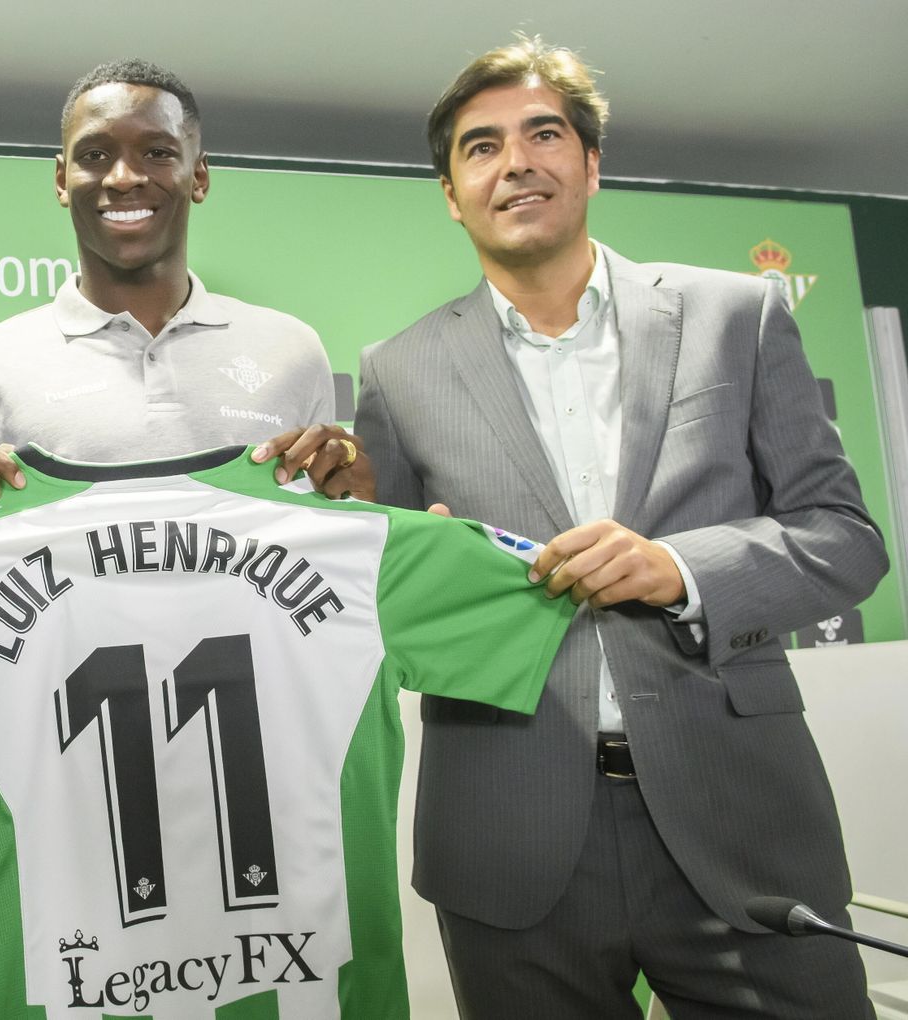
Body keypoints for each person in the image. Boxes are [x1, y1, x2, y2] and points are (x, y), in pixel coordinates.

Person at [353, 35, 887, 1018]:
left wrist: (677, 569)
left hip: (742, 825)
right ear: (449, 190)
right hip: (510, 840)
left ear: (590, 163)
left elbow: (845, 538)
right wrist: (426, 575)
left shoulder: (736, 316)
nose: (515, 162)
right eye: (480, 147)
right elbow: (371, 616)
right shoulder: (397, 372)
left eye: (542, 134)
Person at [0, 58, 369, 518]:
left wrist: (355, 497)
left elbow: (325, 543)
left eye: (158, 152)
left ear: (199, 175)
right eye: (94, 155)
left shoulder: (292, 350)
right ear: (61, 180)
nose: (123, 177)